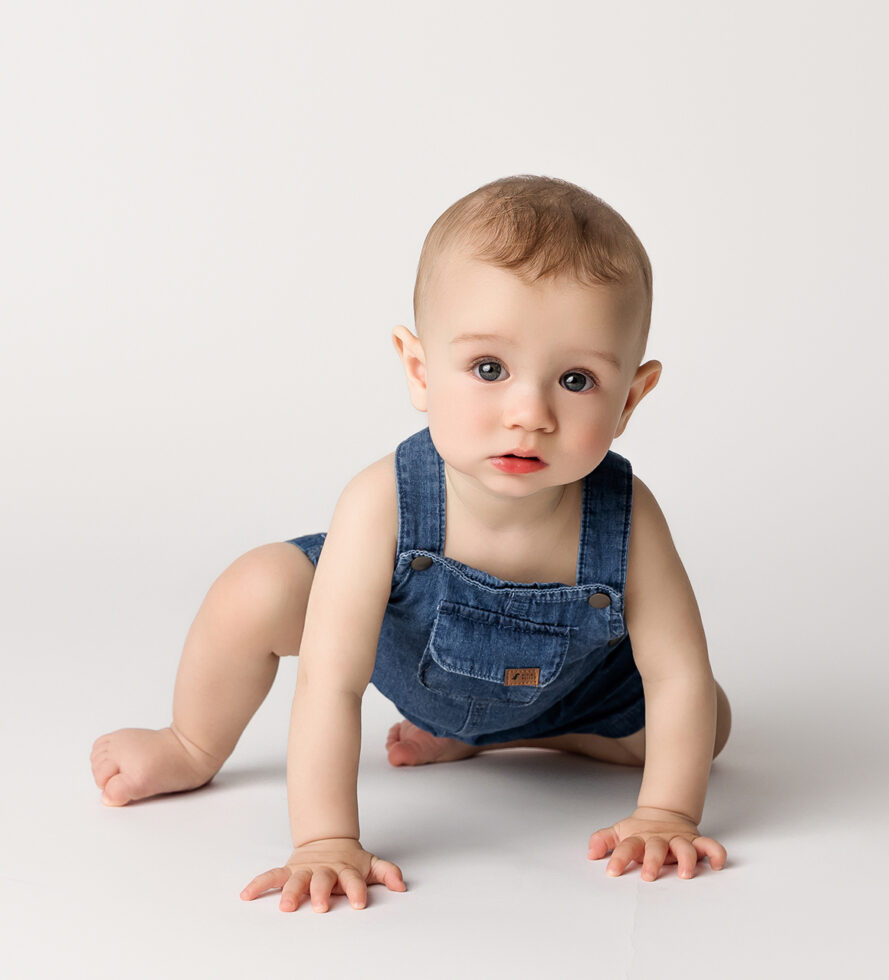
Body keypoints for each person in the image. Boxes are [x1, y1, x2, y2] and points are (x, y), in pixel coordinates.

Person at [90, 174, 732, 913]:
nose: (529, 413)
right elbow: (330, 683)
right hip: (399, 653)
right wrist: (325, 839)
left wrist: (666, 814)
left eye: (576, 379)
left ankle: (508, 738)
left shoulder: (630, 518)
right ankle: (190, 743)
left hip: (566, 689)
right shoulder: (384, 502)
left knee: (707, 720)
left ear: (630, 399)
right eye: (489, 369)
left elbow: (677, 673)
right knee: (256, 591)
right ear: (420, 369)